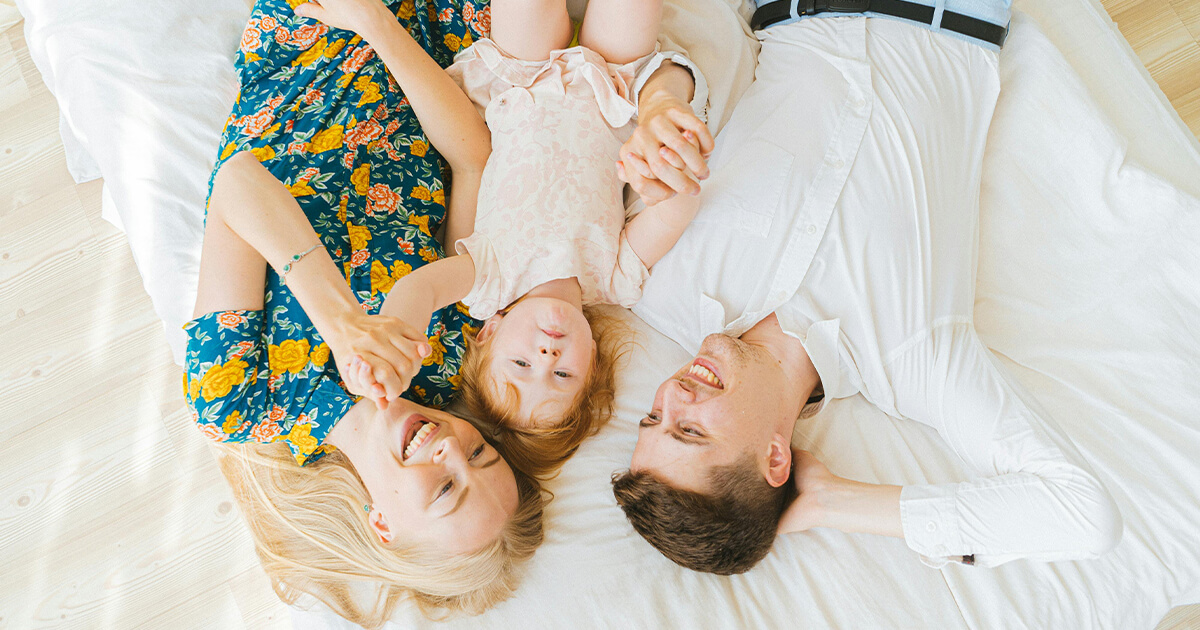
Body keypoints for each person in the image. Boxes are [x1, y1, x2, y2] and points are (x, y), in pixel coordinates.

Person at [610, 1, 1124, 575]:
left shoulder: (657, 286)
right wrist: (833, 501)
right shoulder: (913, 359)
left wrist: (658, 108)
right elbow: (1083, 514)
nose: (672, 396)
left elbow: (666, 77)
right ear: (775, 459)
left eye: (651, 418)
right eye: (690, 430)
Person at [182, 0, 543, 625]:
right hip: (426, 39)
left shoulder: (240, 403)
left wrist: (340, 320)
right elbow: (473, 161)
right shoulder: (448, 354)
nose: (451, 450)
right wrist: (378, 24)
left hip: (304, 48)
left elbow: (238, 180)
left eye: (445, 489)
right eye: (481, 455)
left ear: (382, 524)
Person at [328, 0, 708, 478]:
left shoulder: (487, 282)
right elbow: (678, 208)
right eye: (562, 375)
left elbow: (419, 290)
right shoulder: (615, 281)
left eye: (521, 364)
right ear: (593, 361)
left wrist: (396, 341)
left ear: (490, 333)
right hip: (616, 86)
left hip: (519, 79)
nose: (546, 357)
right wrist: (661, 175)